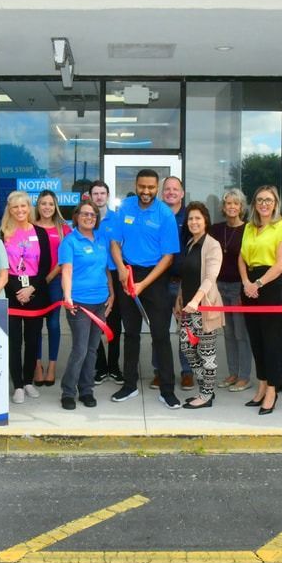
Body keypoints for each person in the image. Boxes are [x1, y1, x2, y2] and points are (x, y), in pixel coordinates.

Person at [110, 168, 181, 409]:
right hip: (128, 276)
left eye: (151, 187)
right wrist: (120, 268)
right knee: (130, 334)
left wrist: (143, 284)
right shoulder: (126, 207)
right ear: (136, 184)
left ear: (157, 187)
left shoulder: (165, 214)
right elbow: (114, 243)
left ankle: (167, 390)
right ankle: (129, 385)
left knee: (160, 335)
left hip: (155, 279)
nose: (146, 191)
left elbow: (168, 257)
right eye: (142, 186)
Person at [237, 186, 282, 416]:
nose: (264, 204)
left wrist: (257, 284)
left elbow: (281, 264)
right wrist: (246, 283)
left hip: (270, 286)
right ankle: (261, 384)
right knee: (256, 340)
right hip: (249, 285)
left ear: (276, 203)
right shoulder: (249, 227)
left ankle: (272, 389)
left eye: (269, 200)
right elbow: (241, 258)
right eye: (260, 199)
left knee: (272, 342)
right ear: (254, 204)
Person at [58, 200, 114, 410]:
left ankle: (86, 390)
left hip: (100, 302)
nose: (89, 217)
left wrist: (112, 293)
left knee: (92, 350)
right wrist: (67, 296)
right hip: (79, 304)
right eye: (85, 214)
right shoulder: (70, 241)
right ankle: (68, 392)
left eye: (93, 215)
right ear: (77, 216)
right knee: (80, 349)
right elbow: (67, 271)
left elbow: (107, 270)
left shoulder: (101, 239)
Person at [0, 191, 51, 404]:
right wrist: (17, 290)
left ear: (29, 208)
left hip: (35, 292)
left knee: (32, 340)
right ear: (9, 211)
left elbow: (46, 264)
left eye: (23, 207)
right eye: (15, 208)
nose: (20, 211)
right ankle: (18, 385)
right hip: (12, 291)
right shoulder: (3, 233)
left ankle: (28, 380)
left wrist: (31, 289)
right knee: (14, 341)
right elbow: (1, 266)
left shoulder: (40, 232)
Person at [175, 202, 224, 409]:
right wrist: (180, 299)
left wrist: (196, 300)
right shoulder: (190, 244)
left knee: (206, 352)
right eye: (190, 218)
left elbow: (210, 277)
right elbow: (185, 276)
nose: (193, 222)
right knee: (187, 348)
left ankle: (206, 395)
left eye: (198, 218)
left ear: (205, 221)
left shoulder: (212, 245)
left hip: (204, 308)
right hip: (187, 308)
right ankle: (206, 389)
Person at [151, 176, 194, 391]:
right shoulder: (155, 214)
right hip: (158, 281)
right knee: (158, 329)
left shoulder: (190, 217)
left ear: (182, 193)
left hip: (182, 282)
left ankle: (187, 372)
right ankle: (159, 372)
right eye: (167, 189)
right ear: (162, 193)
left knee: (185, 330)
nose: (170, 192)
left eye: (175, 189)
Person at [209, 188, 252, 393]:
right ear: (223, 207)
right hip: (220, 286)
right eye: (228, 203)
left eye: (236, 203)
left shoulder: (249, 229)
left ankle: (244, 376)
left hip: (238, 288)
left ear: (242, 207)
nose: (232, 207)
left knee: (241, 333)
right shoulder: (216, 229)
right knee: (227, 333)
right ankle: (233, 373)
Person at [32, 190, 71, 386]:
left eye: (50, 204)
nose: (47, 207)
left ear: (55, 206)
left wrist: (48, 277)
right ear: (38, 206)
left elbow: (66, 259)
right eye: (43, 203)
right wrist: (38, 281)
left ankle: (52, 366)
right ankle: (37, 365)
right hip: (34, 283)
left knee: (54, 324)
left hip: (54, 281)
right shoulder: (29, 227)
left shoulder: (64, 229)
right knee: (36, 326)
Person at [90, 180, 124, 386]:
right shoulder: (86, 219)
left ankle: (114, 366)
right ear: (90, 196)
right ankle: (100, 366)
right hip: (95, 277)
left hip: (115, 275)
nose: (99, 197)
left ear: (108, 195)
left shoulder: (118, 218)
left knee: (114, 324)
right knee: (95, 322)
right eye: (96, 193)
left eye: (103, 193)